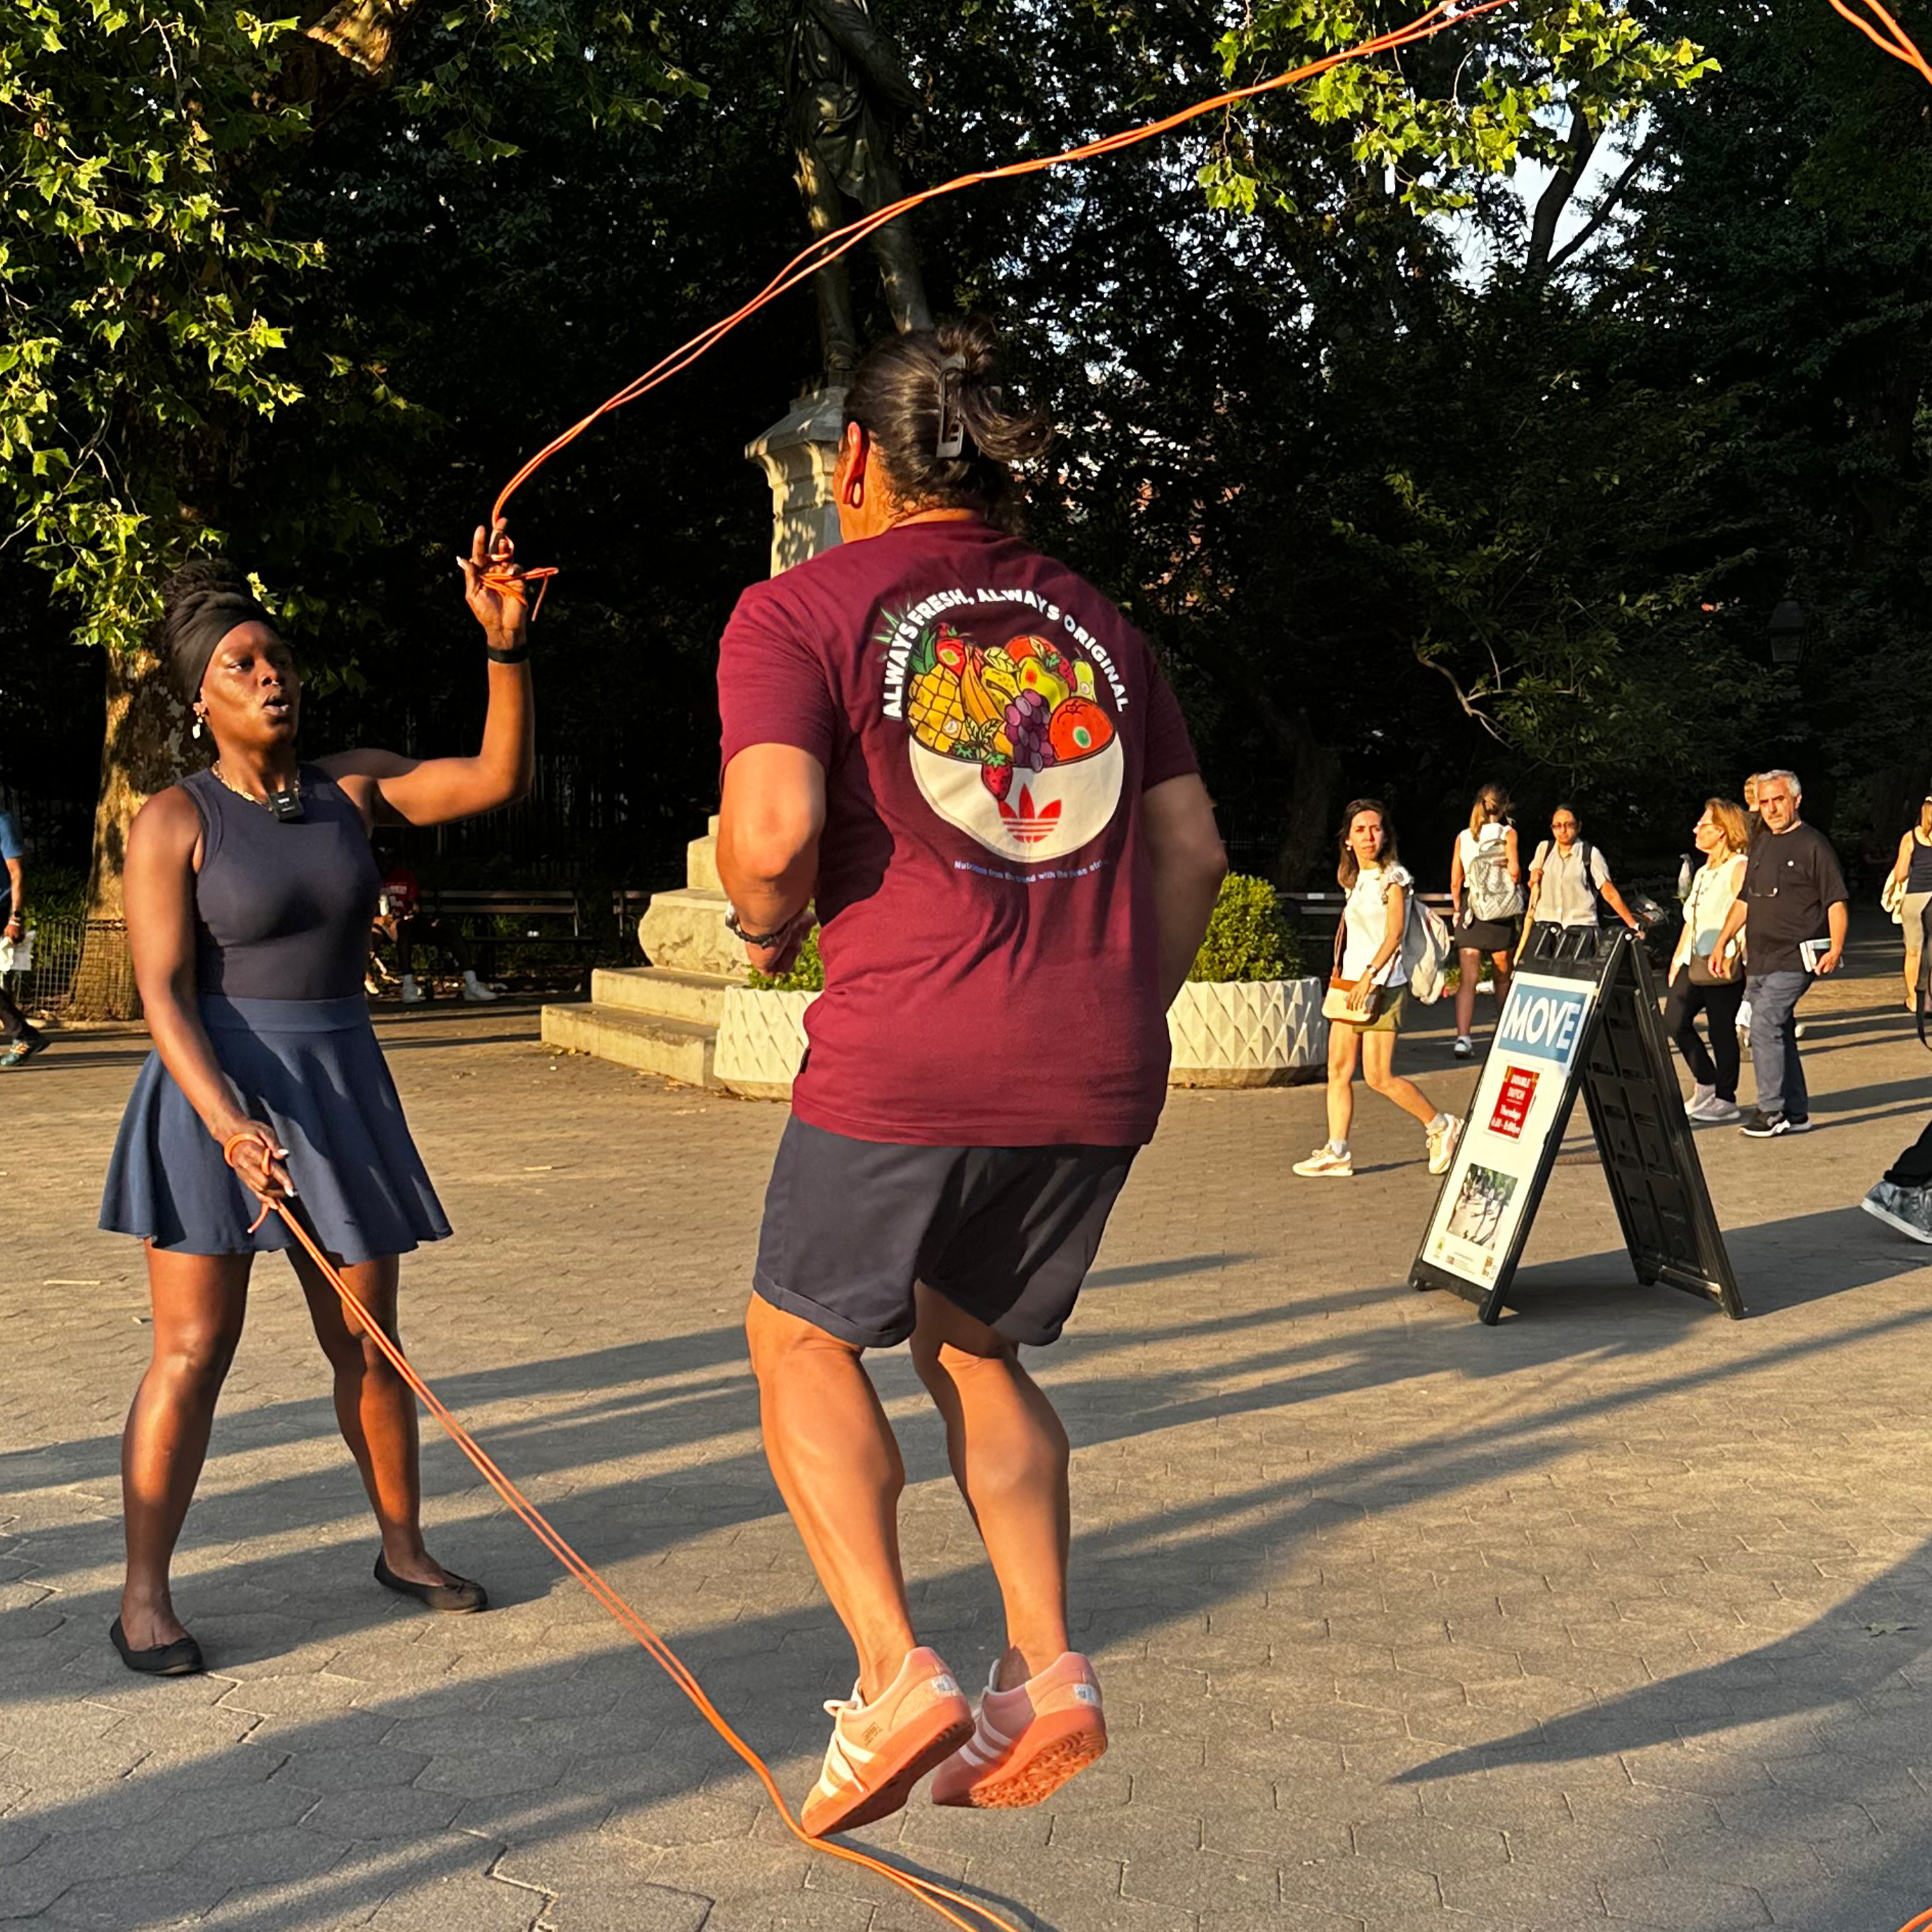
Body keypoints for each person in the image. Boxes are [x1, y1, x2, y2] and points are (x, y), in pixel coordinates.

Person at [715, 316, 1226, 1837]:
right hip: (1099, 1053)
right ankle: (1043, 1665)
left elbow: (768, 837)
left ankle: (891, 1676)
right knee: (976, 1346)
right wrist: (1114, 1004)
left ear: (856, 458)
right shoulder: (1100, 626)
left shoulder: (795, 606)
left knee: (798, 1335)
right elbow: (1189, 847)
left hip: (912, 1037)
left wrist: (762, 928)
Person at [96, 522, 536, 1676]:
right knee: (194, 1351)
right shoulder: (174, 820)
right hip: (213, 1095)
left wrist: (504, 651)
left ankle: (404, 1549)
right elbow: (161, 994)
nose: (271, 673)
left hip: (337, 1086)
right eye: (241, 664)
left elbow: (494, 779)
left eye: (276, 656)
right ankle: (144, 1595)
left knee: (370, 1344)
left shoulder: (351, 790)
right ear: (202, 701)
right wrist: (227, 1122)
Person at [1293, 800, 1462, 1180]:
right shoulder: (1351, 879)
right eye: (1360, 830)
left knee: (1378, 1077)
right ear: (1348, 839)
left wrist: (1370, 975)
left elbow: (1394, 934)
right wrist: (1356, 977)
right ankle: (1337, 1151)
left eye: (1376, 828)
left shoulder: (1394, 877)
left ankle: (1441, 1125)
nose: (1369, 836)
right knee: (1337, 1070)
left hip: (1383, 987)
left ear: (1385, 834)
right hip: (1349, 988)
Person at [1711, 769, 1848, 1137]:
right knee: (1779, 1029)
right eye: (1765, 801)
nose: (1771, 809)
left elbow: (1836, 901)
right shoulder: (1762, 843)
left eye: (1778, 800)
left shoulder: (1813, 844)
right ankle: (1798, 1112)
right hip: (1760, 957)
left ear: (1796, 801)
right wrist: (1722, 941)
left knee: (1765, 1022)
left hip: (1796, 956)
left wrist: (1835, 948)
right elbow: (1746, 900)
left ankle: (1771, 1110)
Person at [1665, 799, 1749, 1123]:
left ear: (1723, 832)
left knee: (1720, 1029)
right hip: (1694, 959)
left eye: (1703, 826)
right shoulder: (1702, 871)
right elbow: (1692, 919)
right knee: (1674, 1019)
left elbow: (1744, 912)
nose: (1696, 830)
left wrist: (1739, 953)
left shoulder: (1738, 867)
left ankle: (1726, 1098)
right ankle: (1707, 1080)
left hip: (1723, 960)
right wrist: (1677, 958)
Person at [1448, 783, 1522, 1057]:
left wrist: (1458, 908)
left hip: (1472, 909)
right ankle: (1504, 1031)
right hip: (1499, 909)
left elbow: (1456, 880)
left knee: (1468, 979)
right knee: (1503, 975)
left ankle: (1463, 1038)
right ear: (1503, 808)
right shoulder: (1508, 834)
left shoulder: (1464, 836)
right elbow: (1514, 873)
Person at [371, 846, 499, 1004]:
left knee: (448, 928)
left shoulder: (405, 876)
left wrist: (413, 909)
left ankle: (472, 984)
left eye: (390, 858)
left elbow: (415, 903)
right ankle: (408, 985)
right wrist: (380, 920)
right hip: (384, 926)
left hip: (410, 923)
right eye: (383, 858)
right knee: (402, 929)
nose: (386, 863)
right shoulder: (370, 878)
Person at [1525, 806, 1643, 940]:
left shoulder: (1590, 854)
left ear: (1579, 826)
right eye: (1557, 826)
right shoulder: (1544, 850)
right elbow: (1534, 888)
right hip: (1546, 931)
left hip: (1581, 932)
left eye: (1569, 825)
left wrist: (1633, 925)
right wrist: (1533, 880)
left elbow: (1609, 893)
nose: (1563, 830)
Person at [0, 799, 48, 1068]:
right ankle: (24, 1035)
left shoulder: (3, 821)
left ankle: (24, 1035)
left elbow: (16, 873)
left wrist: (15, 917)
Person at [1885, 795, 1932, 1014]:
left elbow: (1901, 873)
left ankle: (1915, 999)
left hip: (1915, 900)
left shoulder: (1910, 838)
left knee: (1913, 951)